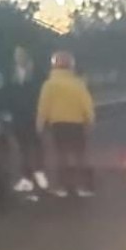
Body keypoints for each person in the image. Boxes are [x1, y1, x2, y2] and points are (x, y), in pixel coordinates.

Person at [37, 50, 95, 198]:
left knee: (61, 157)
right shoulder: (78, 84)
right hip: (77, 125)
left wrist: (40, 124)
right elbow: (87, 104)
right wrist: (90, 121)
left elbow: (43, 107)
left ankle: (63, 187)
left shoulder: (49, 85)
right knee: (80, 157)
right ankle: (83, 186)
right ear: (71, 66)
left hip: (58, 126)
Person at [4, 46, 49, 194]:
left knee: (35, 144)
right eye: (16, 55)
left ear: (27, 56)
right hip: (18, 116)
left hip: (33, 114)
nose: (18, 58)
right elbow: (7, 93)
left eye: (21, 55)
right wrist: (7, 110)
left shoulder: (37, 72)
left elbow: (43, 93)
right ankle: (26, 177)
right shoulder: (11, 74)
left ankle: (40, 172)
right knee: (23, 147)